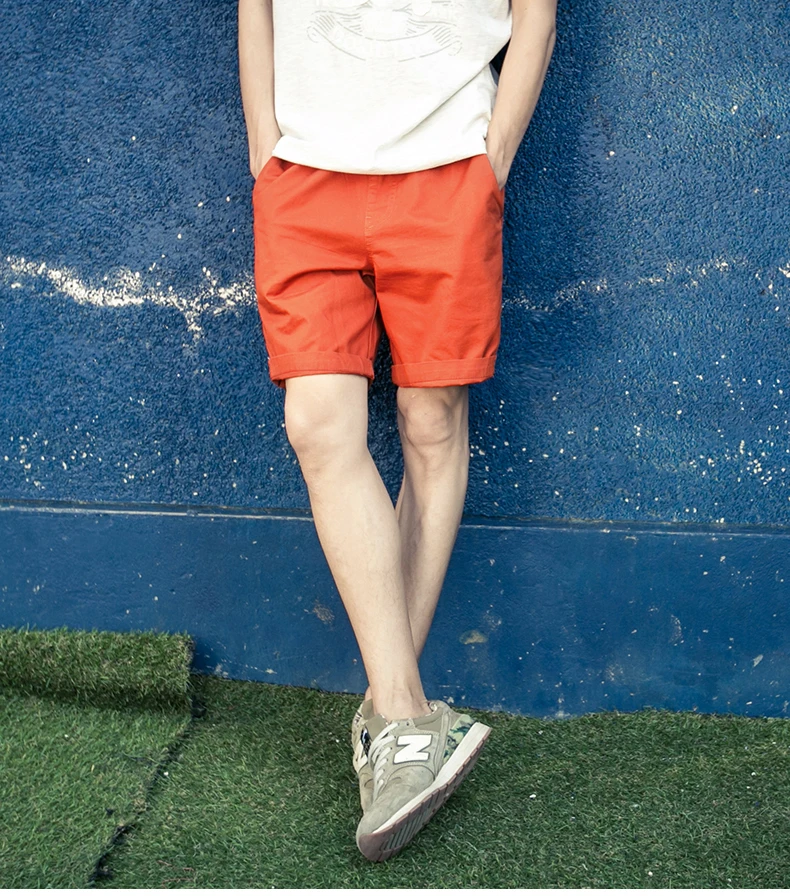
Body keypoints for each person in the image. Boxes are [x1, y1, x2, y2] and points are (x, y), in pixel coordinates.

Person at [238, 0, 557, 861]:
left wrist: (492, 161)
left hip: (449, 172)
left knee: (431, 418)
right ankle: (411, 719)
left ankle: (392, 718)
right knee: (316, 423)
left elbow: (536, 13)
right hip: (304, 177)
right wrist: (266, 153)